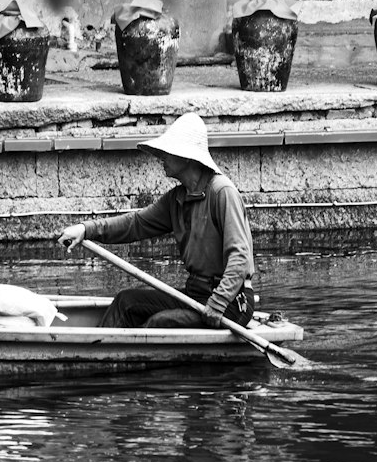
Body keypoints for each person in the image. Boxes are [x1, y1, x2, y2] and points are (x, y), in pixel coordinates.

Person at [58, 112, 256, 329]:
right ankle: (103, 352)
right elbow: (135, 224)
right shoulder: (177, 199)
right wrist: (86, 229)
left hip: (231, 302)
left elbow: (240, 256)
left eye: (168, 152)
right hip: (196, 295)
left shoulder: (222, 192)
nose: (161, 158)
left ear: (187, 157)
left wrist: (218, 302)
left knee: (160, 322)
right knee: (127, 302)